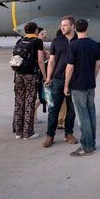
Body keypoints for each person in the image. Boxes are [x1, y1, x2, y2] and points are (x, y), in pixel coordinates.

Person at [65, 19, 100, 156]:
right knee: (91, 113)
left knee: (82, 117)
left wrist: (66, 85)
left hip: (77, 85)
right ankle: (92, 142)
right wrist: (93, 78)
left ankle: (86, 146)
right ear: (87, 28)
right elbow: (98, 65)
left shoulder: (73, 45)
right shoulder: (93, 44)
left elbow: (70, 67)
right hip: (90, 84)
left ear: (75, 29)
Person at [42, 16, 78, 148]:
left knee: (71, 110)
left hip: (74, 81)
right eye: (61, 25)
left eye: (65, 25)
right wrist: (48, 78)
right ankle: (50, 136)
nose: (62, 27)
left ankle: (69, 133)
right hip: (57, 80)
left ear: (72, 26)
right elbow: (51, 61)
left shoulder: (78, 40)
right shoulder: (57, 41)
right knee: (53, 109)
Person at [12, 22, 46, 140]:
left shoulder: (20, 41)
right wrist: (45, 76)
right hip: (31, 75)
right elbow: (41, 60)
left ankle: (18, 131)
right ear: (36, 30)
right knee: (29, 102)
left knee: (19, 102)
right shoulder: (37, 41)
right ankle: (28, 132)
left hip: (18, 75)